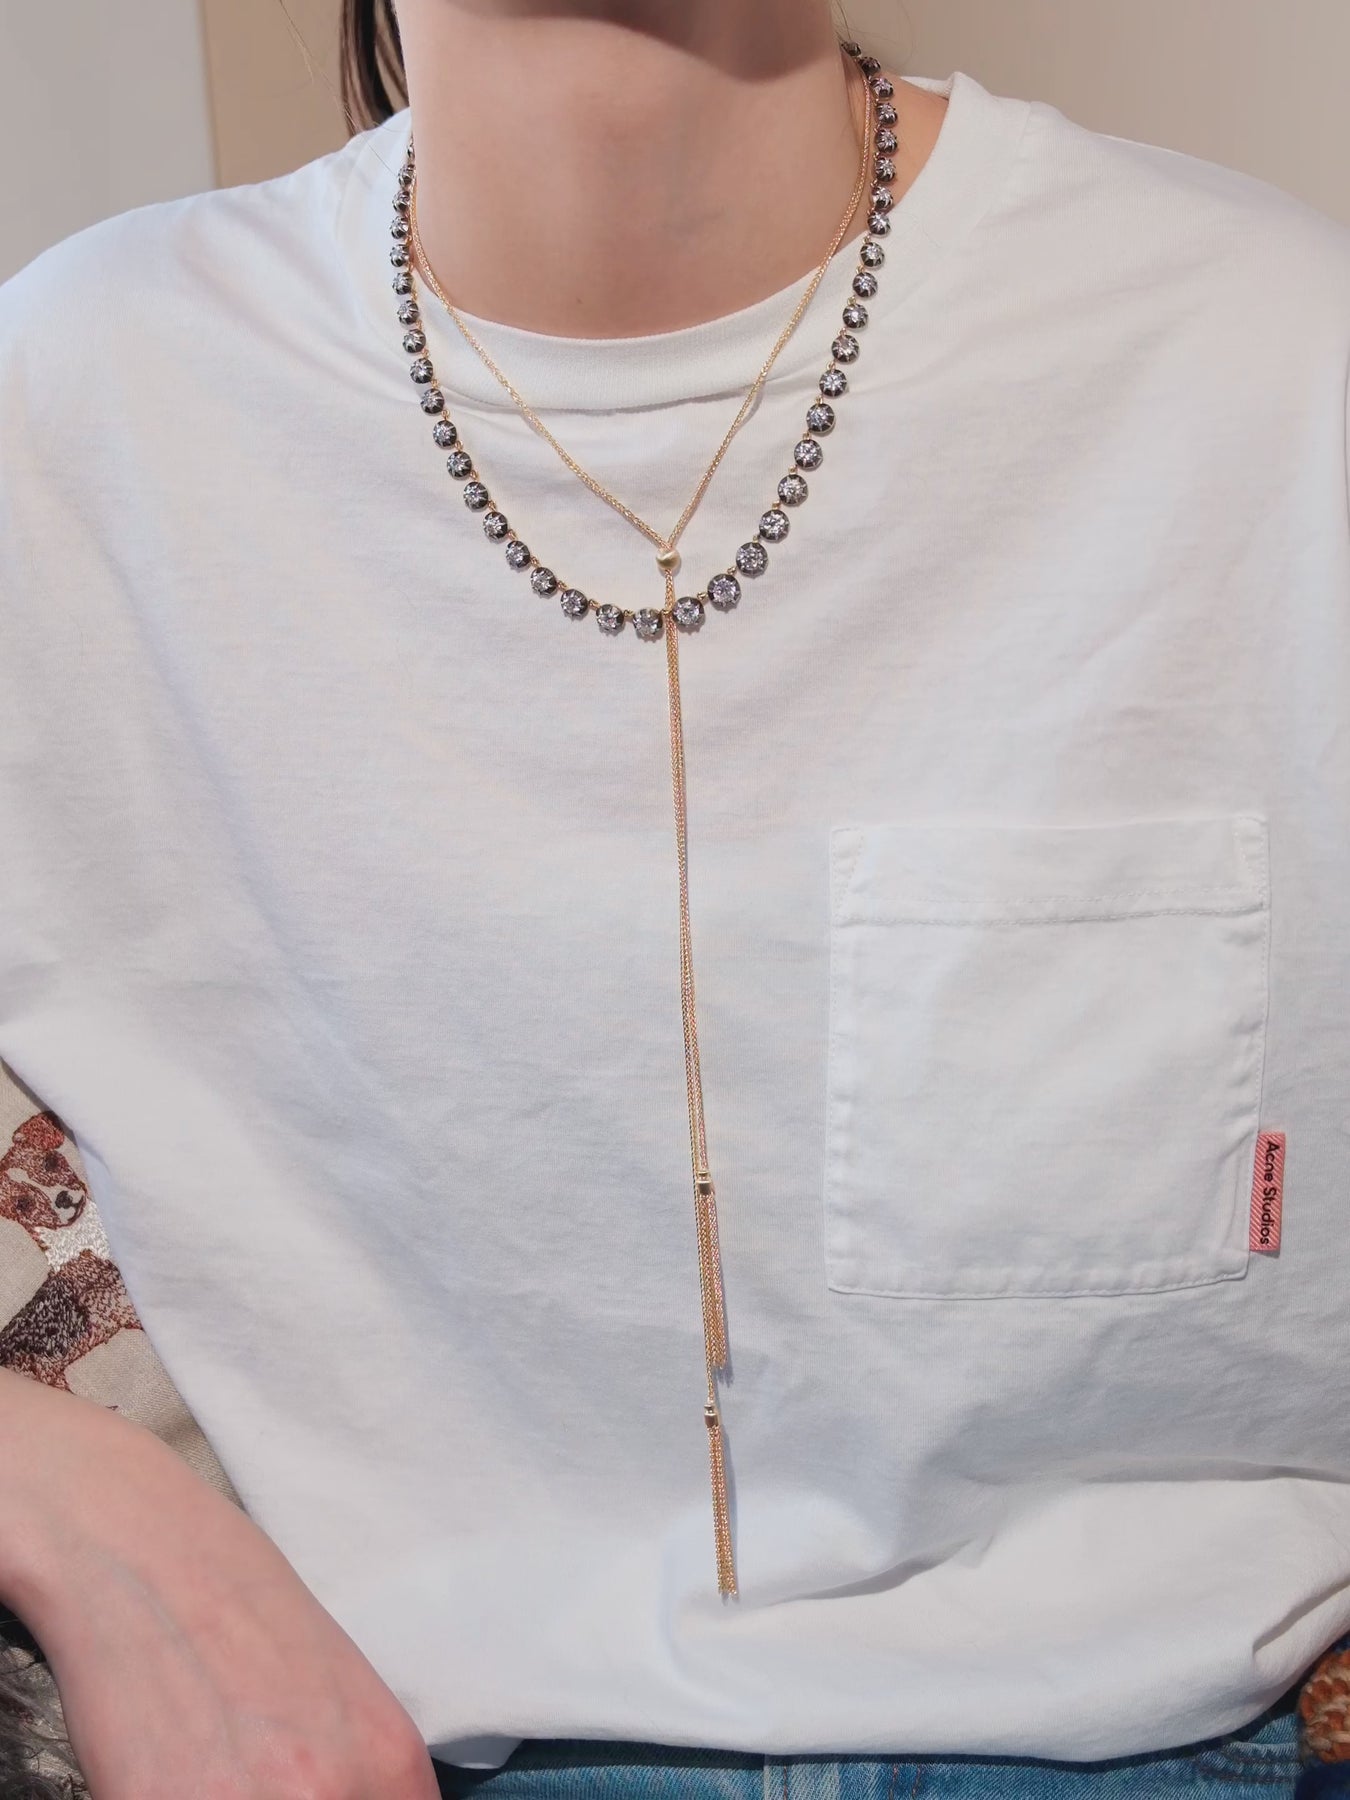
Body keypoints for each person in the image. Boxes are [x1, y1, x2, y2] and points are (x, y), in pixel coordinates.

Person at [0, 0, 1348, 1794]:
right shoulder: (74, 402)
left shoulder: (1276, 365)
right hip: (369, 1743)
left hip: (1178, 1734)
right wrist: (77, 1513)